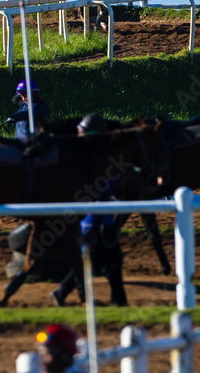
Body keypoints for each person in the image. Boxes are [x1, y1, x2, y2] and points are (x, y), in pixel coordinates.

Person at [51, 113, 126, 307]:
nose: (78, 133)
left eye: (81, 130)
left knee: (113, 261)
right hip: (93, 222)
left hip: (102, 220)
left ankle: (119, 300)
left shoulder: (95, 155)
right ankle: (62, 292)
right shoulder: (89, 158)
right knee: (98, 261)